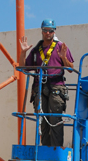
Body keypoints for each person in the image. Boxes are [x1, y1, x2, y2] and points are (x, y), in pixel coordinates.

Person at [19, 19, 74, 147]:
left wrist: (63, 58)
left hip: (56, 86)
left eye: (50, 31)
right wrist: (23, 52)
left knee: (55, 119)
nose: (48, 33)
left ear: (54, 31)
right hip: (40, 87)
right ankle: (45, 148)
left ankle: (56, 149)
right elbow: (23, 68)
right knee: (42, 120)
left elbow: (71, 68)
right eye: (45, 30)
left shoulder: (60, 46)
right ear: (42, 31)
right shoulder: (37, 49)